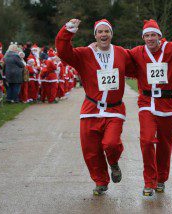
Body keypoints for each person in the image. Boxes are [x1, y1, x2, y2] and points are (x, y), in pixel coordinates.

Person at [55, 18, 134, 195]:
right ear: (95, 35)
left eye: (107, 31)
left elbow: (140, 66)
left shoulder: (122, 53)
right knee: (91, 151)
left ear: (111, 34)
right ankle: (100, 181)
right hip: (91, 110)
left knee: (111, 144)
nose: (103, 34)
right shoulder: (84, 54)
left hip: (114, 110)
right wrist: (68, 31)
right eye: (100, 32)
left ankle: (113, 162)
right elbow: (63, 52)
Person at [127, 6, 172, 196]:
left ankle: (161, 179)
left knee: (166, 145)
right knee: (147, 140)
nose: (150, 39)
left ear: (159, 36)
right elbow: (120, 60)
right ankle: (149, 181)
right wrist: (100, 49)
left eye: (153, 35)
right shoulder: (137, 52)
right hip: (147, 103)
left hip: (167, 104)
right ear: (143, 38)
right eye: (147, 36)